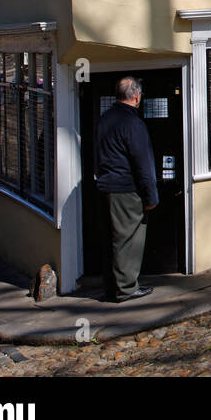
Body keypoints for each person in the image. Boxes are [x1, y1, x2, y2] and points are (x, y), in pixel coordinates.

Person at [94, 77, 158, 302]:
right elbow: (143, 164)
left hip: (106, 186)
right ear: (137, 96)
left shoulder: (104, 120)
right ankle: (127, 288)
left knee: (112, 239)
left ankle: (112, 286)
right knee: (128, 240)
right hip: (126, 189)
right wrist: (151, 196)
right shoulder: (133, 124)